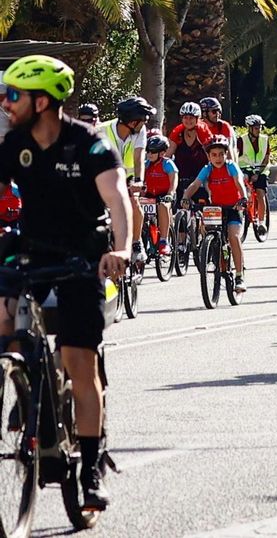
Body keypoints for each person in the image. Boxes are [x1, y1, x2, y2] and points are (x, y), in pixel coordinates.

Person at [0, 55, 132, 514]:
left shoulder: (89, 143)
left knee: (79, 360)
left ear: (41, 101)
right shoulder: (13, 142)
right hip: (31, 247)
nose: (5, 103)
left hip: (84, 257)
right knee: (1, 312)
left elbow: (117, 199)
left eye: (12, 95)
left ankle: (91, 467)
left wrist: (123, 249)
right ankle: (17, 377)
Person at [181, 138, 249, 292]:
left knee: (233, 237)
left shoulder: (231, 166)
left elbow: (239, 182)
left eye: (221, 154)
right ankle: (211, 251)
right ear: (209, 156)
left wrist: (243, 198)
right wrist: (186, 197)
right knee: (205, 230)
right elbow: (195, 184)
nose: (218, 158)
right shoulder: (208, 168)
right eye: (214, 155)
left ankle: (239, 275)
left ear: (226, 155)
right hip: (216, 208)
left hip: (233, 207)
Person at [103, 98, 153, 259]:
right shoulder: (101, 131)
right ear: (132, 122)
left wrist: (139, 180)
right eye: (144, 119)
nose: (146, 122)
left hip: (129, 178)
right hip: (105, 177)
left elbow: (139, 157)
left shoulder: (140, 131)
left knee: (133, 202)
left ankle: (136, 243)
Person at [141, 135, 178, 254]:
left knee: (163, 206)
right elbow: (141, 181)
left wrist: (170, 193)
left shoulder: (167, 163)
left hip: (165, 195)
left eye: (153, 152)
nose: (149, 154)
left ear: (162, 153)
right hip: (150, 195)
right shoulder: (146, 164)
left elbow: (173, 181)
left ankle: (164, 240)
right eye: (148, 151)